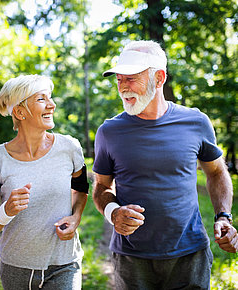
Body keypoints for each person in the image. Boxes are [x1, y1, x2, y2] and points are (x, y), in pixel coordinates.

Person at [92, 40, 237, 289]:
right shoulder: (109, 131)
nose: (122, 87)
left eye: (131, 78)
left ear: (159, 78)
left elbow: (216, 172)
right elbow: (101, 187)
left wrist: (223, 216)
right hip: (131, 259)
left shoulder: (196, 121)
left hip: (189, 256)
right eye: (119, 79)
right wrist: (113, 212)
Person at [0, 74, 89, 290]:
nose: (52, 105)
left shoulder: (70, 148)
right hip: (16, 267)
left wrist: (76, 217)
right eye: (41, 99)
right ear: (19, 112)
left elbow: (81, 188)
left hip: (65, 262)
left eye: (51, 98)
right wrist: (6, 210)